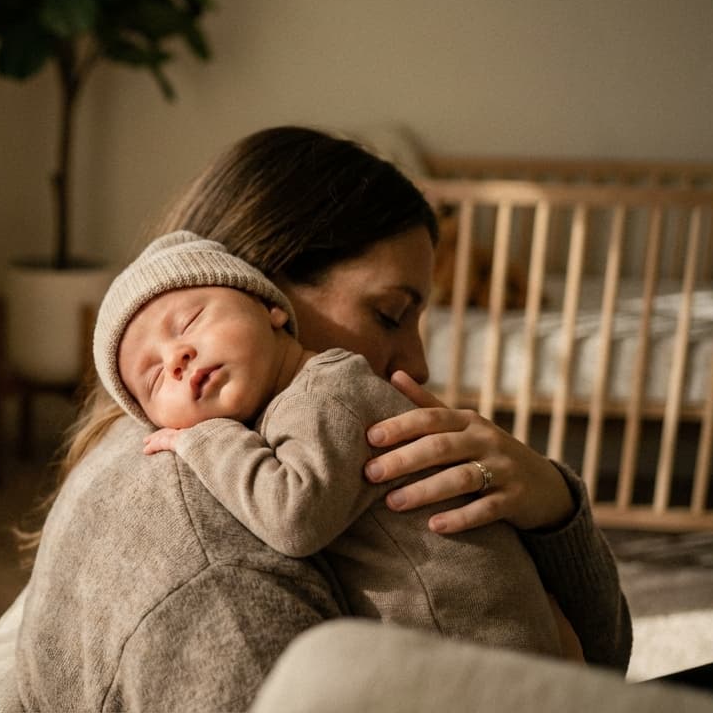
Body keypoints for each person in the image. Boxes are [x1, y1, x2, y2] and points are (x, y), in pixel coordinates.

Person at [16, 126, 631, 711]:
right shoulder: (214, 546)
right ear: (264, 291)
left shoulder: (234, 444)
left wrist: (552, 507)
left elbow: (605, 667)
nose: (416, 363)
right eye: (389, 313)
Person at [93, 229, 570, 659]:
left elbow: (295, 518)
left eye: (190, 321)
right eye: (155, 378)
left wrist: (207, 437)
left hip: (474, 648)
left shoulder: (327, 391)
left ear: (270, 308)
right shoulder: (292, 404)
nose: (177, 358)